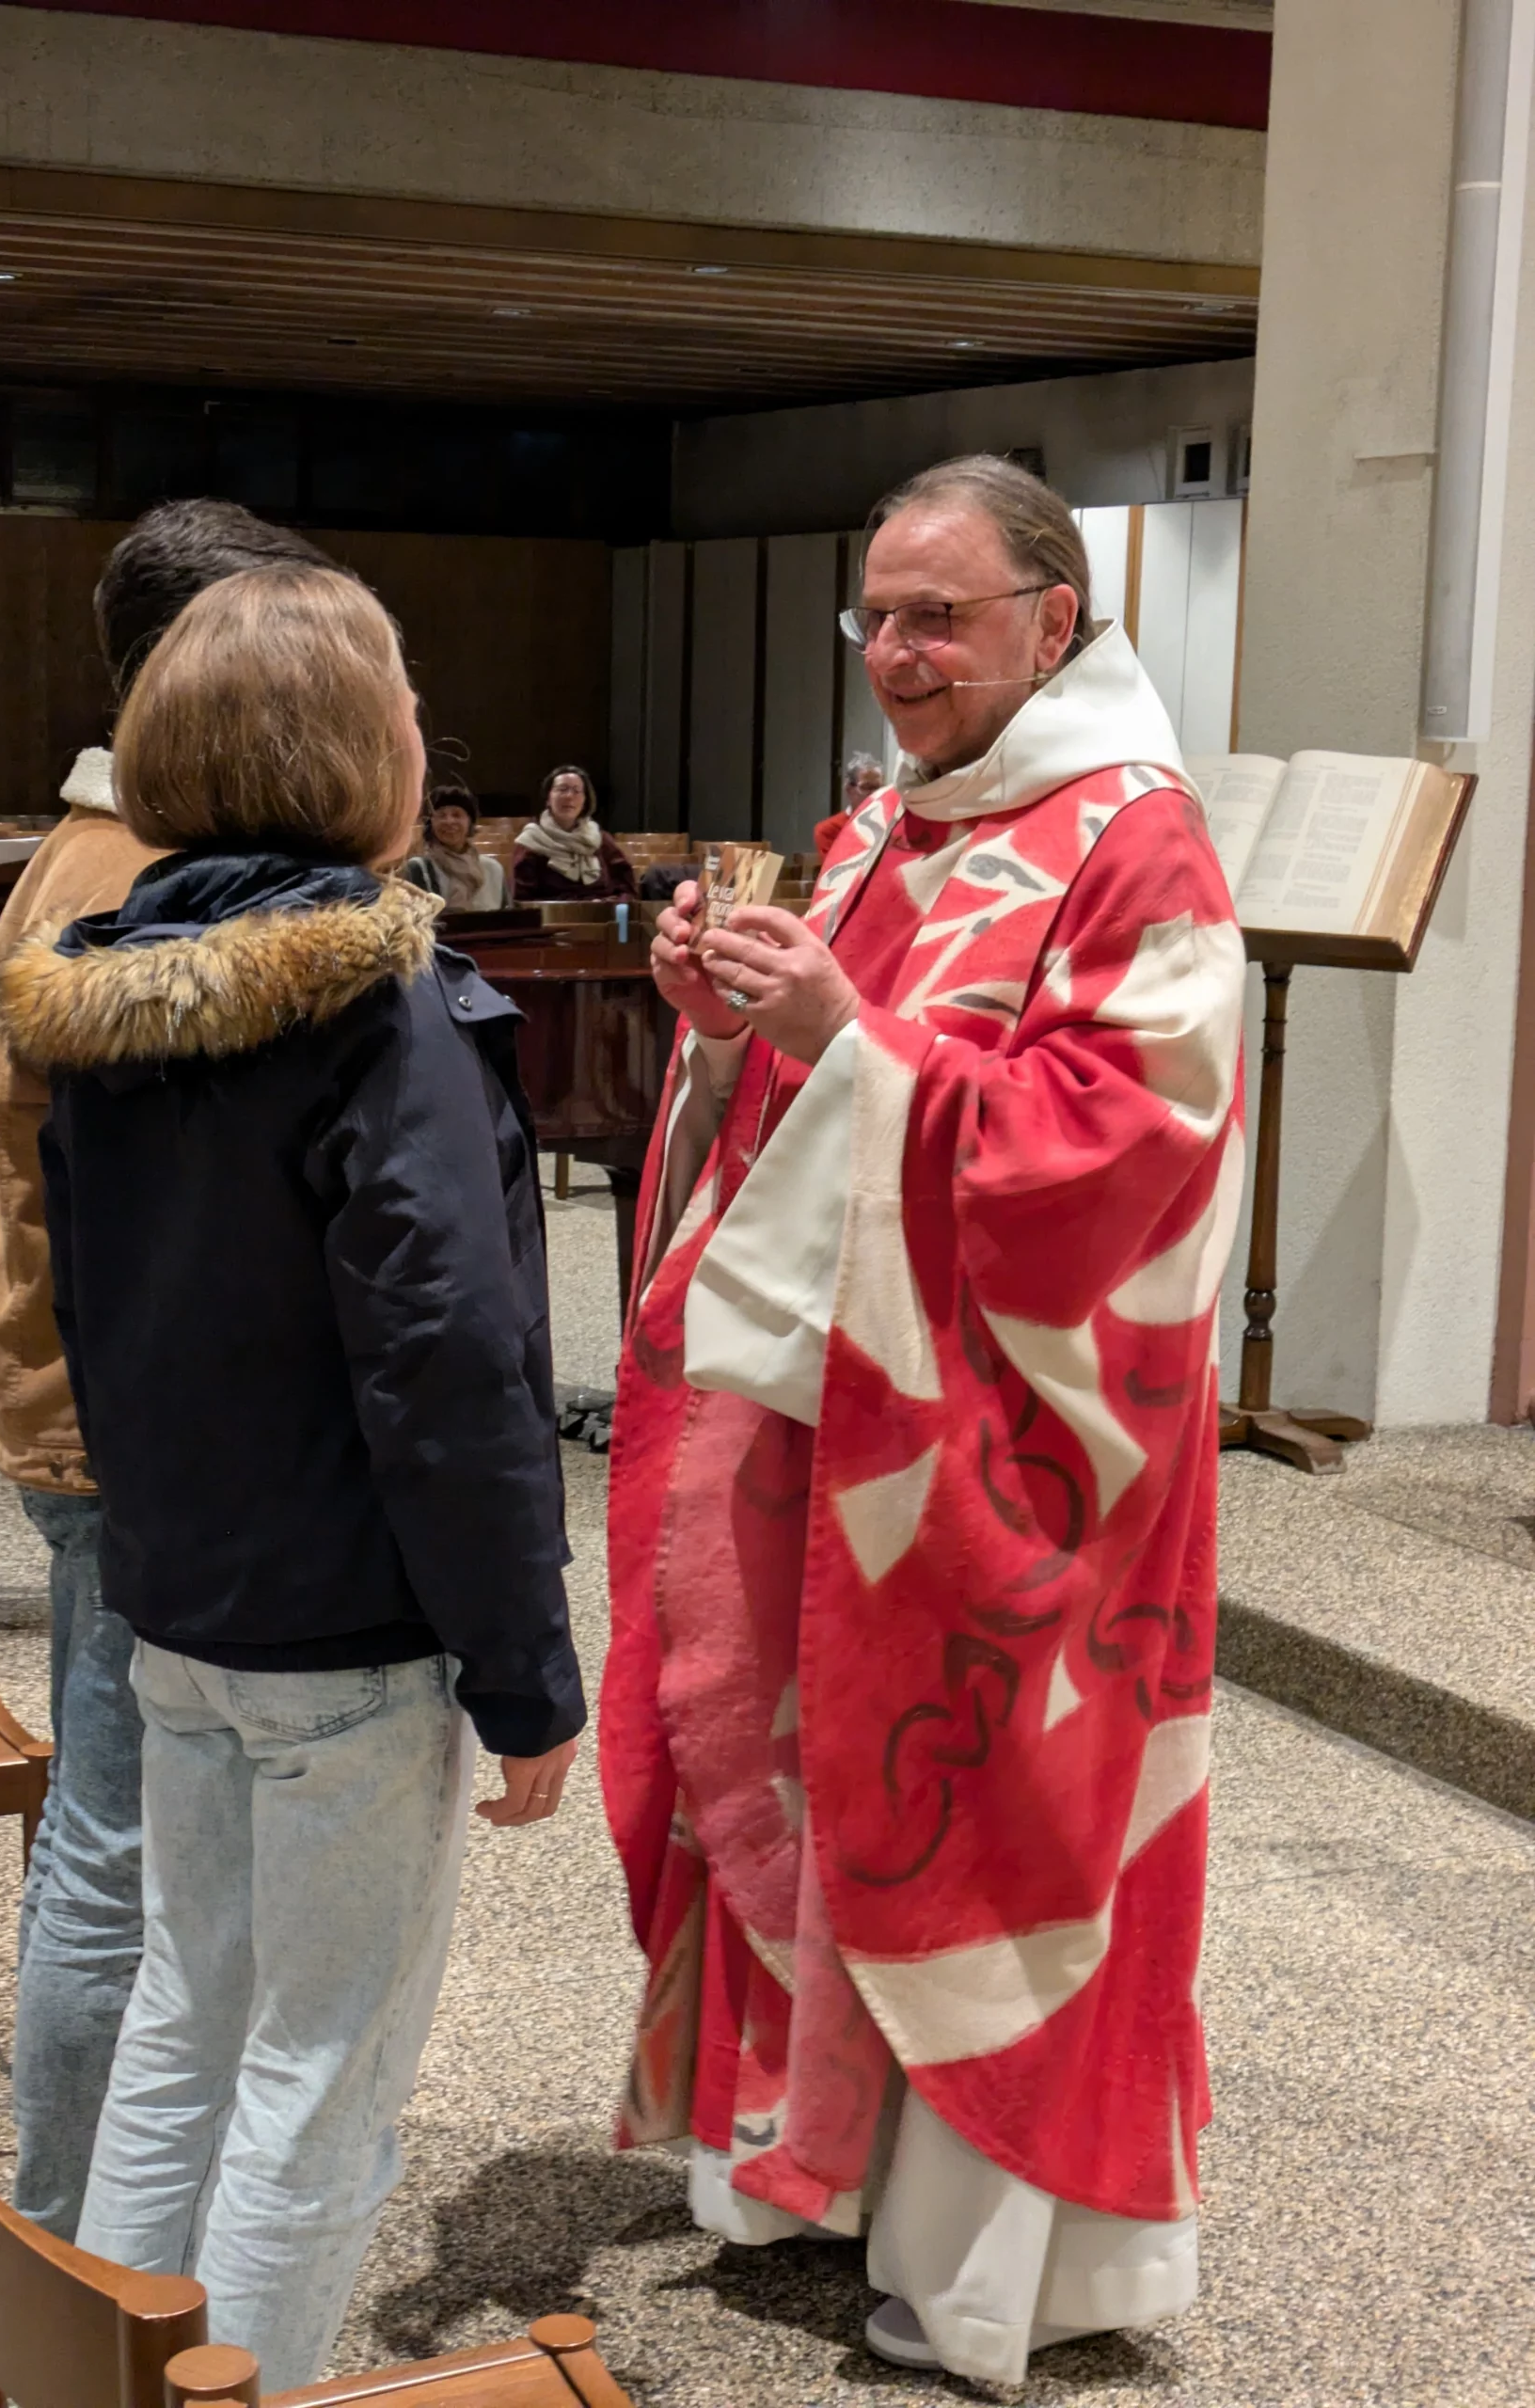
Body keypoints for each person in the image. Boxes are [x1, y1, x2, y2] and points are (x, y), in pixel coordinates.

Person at [602, 454, 1244, 2384]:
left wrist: (840, 1038)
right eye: (874, 615)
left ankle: (996, 2267)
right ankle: (823, 2170)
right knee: (822, 1788)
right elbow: (820, 1097)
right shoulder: (887, 820)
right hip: (848, 1423)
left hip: (1022, 1452)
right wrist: (728, 1024)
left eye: (936, 619)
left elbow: (1128, 1152)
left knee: (989, 1822)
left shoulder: (1136, 841)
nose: (894, 653)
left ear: (1051, 621)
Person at [0, 561, 584, 2386]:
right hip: (344, 1629)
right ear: (349, 748)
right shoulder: (382, 1009)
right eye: (399, 695)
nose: (419, 722)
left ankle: (108, 2380)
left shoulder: (105, 989)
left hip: (178, 1606)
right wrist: (523, 1669)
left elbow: (93, 1313)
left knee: (186, 2021)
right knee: (320, 2076)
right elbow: (451, 1364)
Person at [0, 498, 338, 2241]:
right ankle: (68, 2250)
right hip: (123, 1435)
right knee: (115, 1857)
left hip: (99, 1418)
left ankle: (104, 2233)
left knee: (130, 1846)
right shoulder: (133, 871)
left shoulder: (105, 846)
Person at [511, 763, 637, 902]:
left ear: (585, 800)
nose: (569, 796)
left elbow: (626, 889)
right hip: (552, 914)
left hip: (604, 913)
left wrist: (614, 905)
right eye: (562, 789)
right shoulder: (531, 841)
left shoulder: (601, 839)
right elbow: (523, 901)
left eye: (577, 791)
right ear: (548, 798)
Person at [404, 782, 507, 910]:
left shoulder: (493, 869)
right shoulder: (419, 868)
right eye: (441, 815)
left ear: (470, 822)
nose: (449, 821)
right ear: (431, 823)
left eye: (457, 815)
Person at [814, 748, 887, 861]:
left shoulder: (891, 825)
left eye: (878, 788)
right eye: (866, 787)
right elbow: (836, 869)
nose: (874, 794)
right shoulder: (828, 830)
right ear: (849, 789)